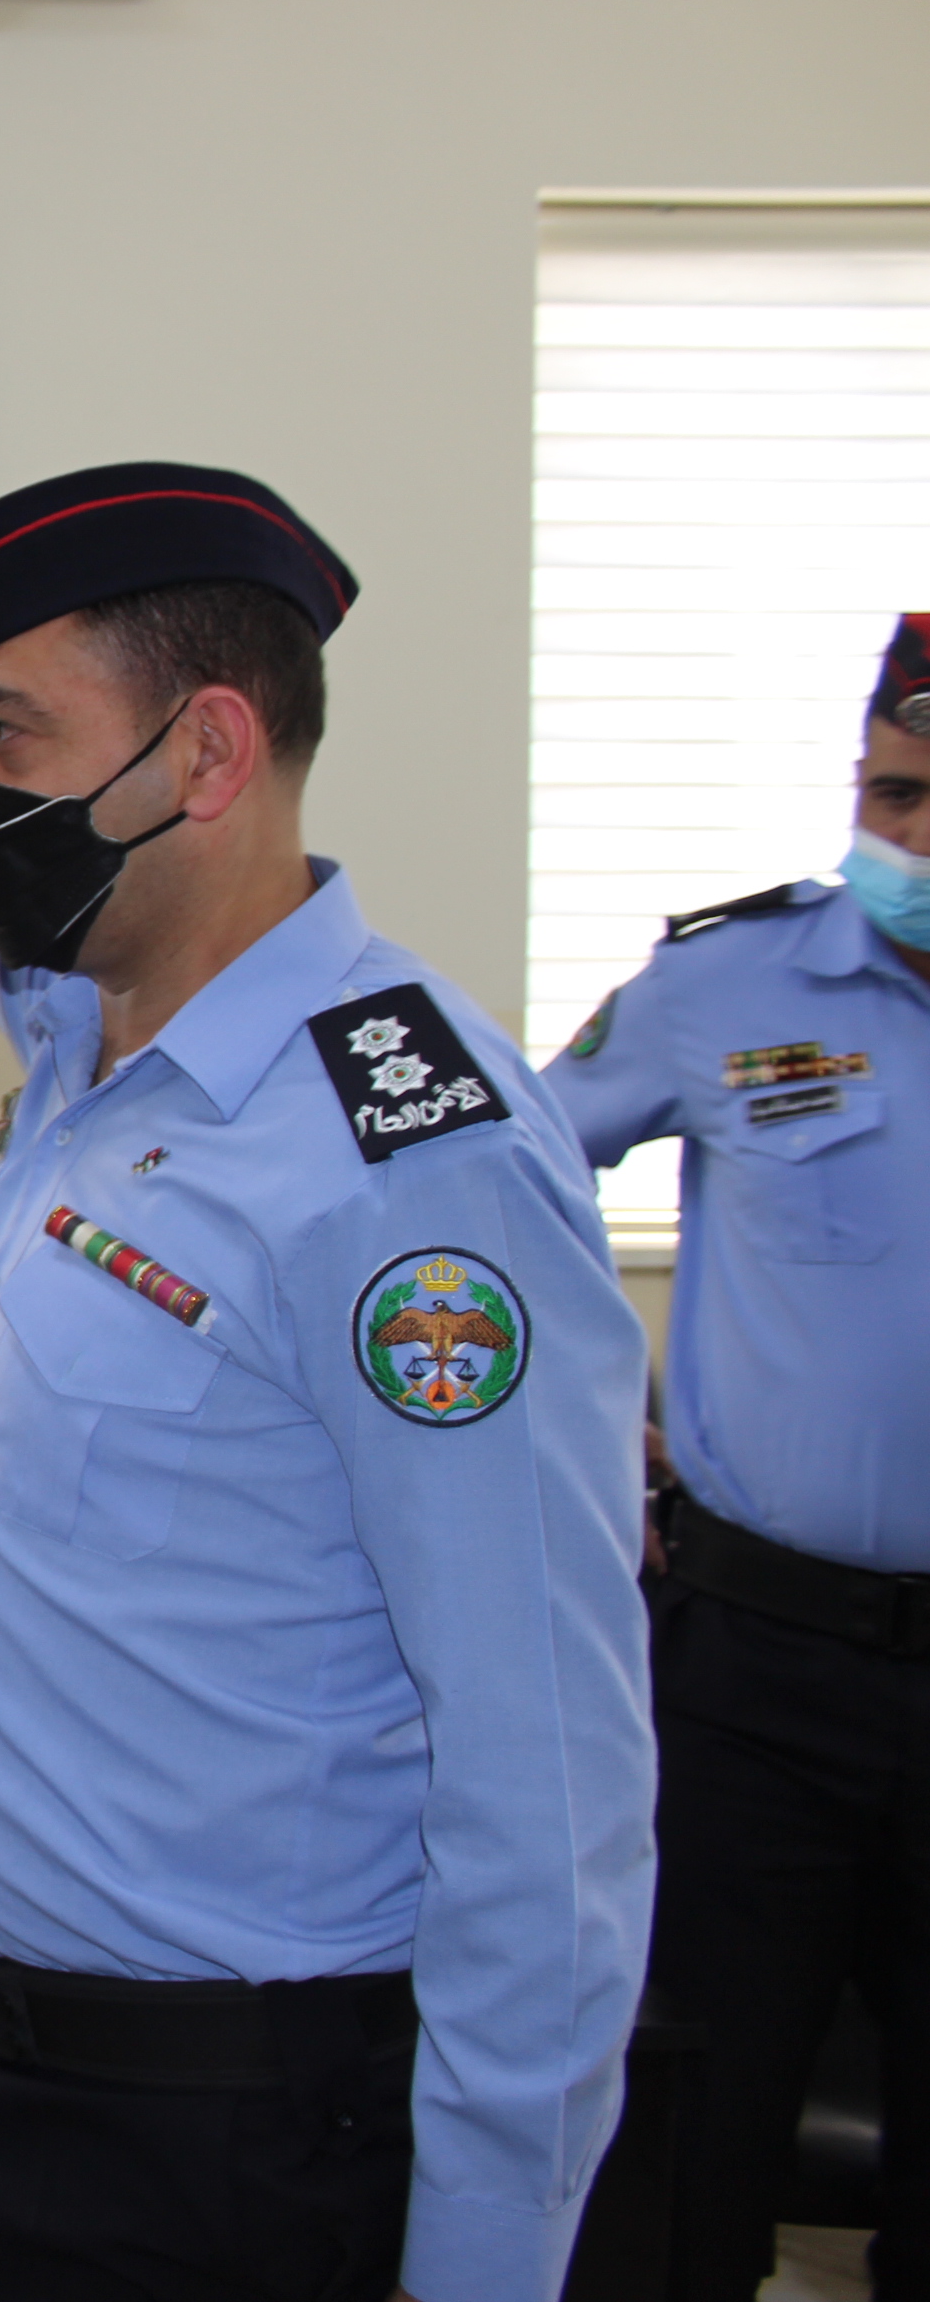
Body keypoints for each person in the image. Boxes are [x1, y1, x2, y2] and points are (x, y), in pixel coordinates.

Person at [0, 465, 655, 2301]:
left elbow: (545, 1778)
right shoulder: (98, 1037)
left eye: (3, 732)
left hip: (226, 2141)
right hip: (19, 2085)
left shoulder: (407, 1163)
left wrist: (484, 2263)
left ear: (205, 753)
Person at [539, 610, 930, 2301]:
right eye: (894, 795)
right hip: (759, 1673)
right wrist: (571, 1411)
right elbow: (507, 1177)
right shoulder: (724, 985)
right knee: (694, 2134)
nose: (914, 838)